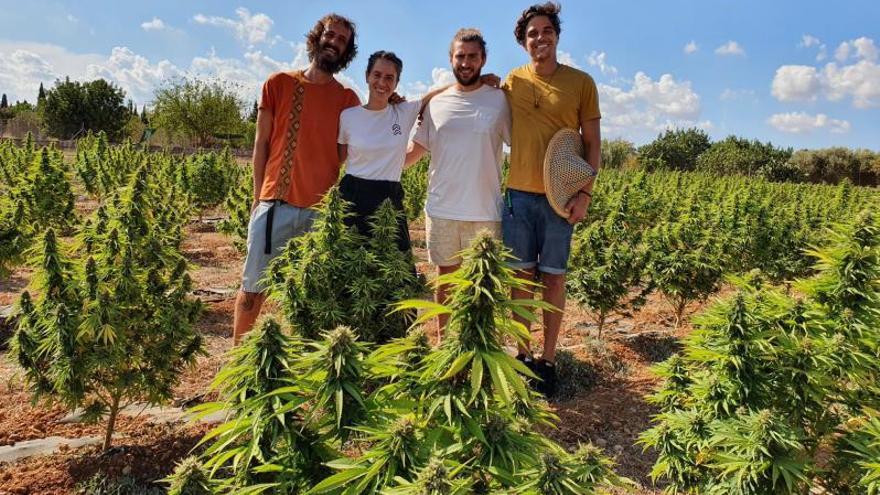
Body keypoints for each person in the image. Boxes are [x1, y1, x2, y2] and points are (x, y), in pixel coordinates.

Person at [233, 13, 361, 345]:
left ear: (347, 51)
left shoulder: (348, 101)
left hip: (321, 216)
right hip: (275, 204)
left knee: (314, 299)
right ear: (317, 37)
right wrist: (257, 197)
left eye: (342, 40)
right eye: (330, 35)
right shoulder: (278, 84)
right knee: (252, 291)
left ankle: (304, 372)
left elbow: (343, 151)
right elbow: (260, 144)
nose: (334, 42)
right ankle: (236, 374)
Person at [502, 2, 601, 396]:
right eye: (531, 34)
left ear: (557, 35)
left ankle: (549, 360)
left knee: (554, 279)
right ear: (523, 42)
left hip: (560, 199)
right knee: (521, 278)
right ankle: (522, 356)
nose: (539, 38)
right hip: (518, 196)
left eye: (546, 31)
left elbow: (593, 143)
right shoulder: (512, 80)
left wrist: (586, 194)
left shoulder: (581, 82)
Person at [406, 28, 511, 335]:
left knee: (483, 284)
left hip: (484, 211)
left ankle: (479, 347)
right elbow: (413, 152)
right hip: (442, 209)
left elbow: (521, 144)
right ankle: (446, 347)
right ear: (450, 59)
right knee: (446, 280)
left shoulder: (500, 100)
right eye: (460, 56)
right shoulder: (436, 103)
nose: (466, 62)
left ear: (483, 59)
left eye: (472, 56)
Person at [337, 51, 427, 252]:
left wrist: (477, 81)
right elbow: (339, 159)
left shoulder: (403, 112)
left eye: (389, 78)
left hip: (388, 198)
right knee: (350, 266)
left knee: (394, 269)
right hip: (352, 196)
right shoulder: (348, 117)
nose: (382, 82)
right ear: (367, 76)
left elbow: (436, 95)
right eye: (376, 75)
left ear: (396, 83)